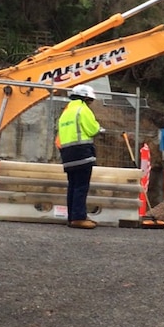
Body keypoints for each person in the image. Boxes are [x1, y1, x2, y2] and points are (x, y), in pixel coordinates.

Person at [57, 84, 105, 229]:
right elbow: (92, 129)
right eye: (90, 100)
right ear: (85, 98)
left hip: (67, 154)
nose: (90, 103)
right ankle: (78, 217)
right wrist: (99, 129)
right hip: (81, 153)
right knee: (81, 186)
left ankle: (73, 216)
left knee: (73, 185)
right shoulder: (83, 110)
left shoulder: (66, 112)